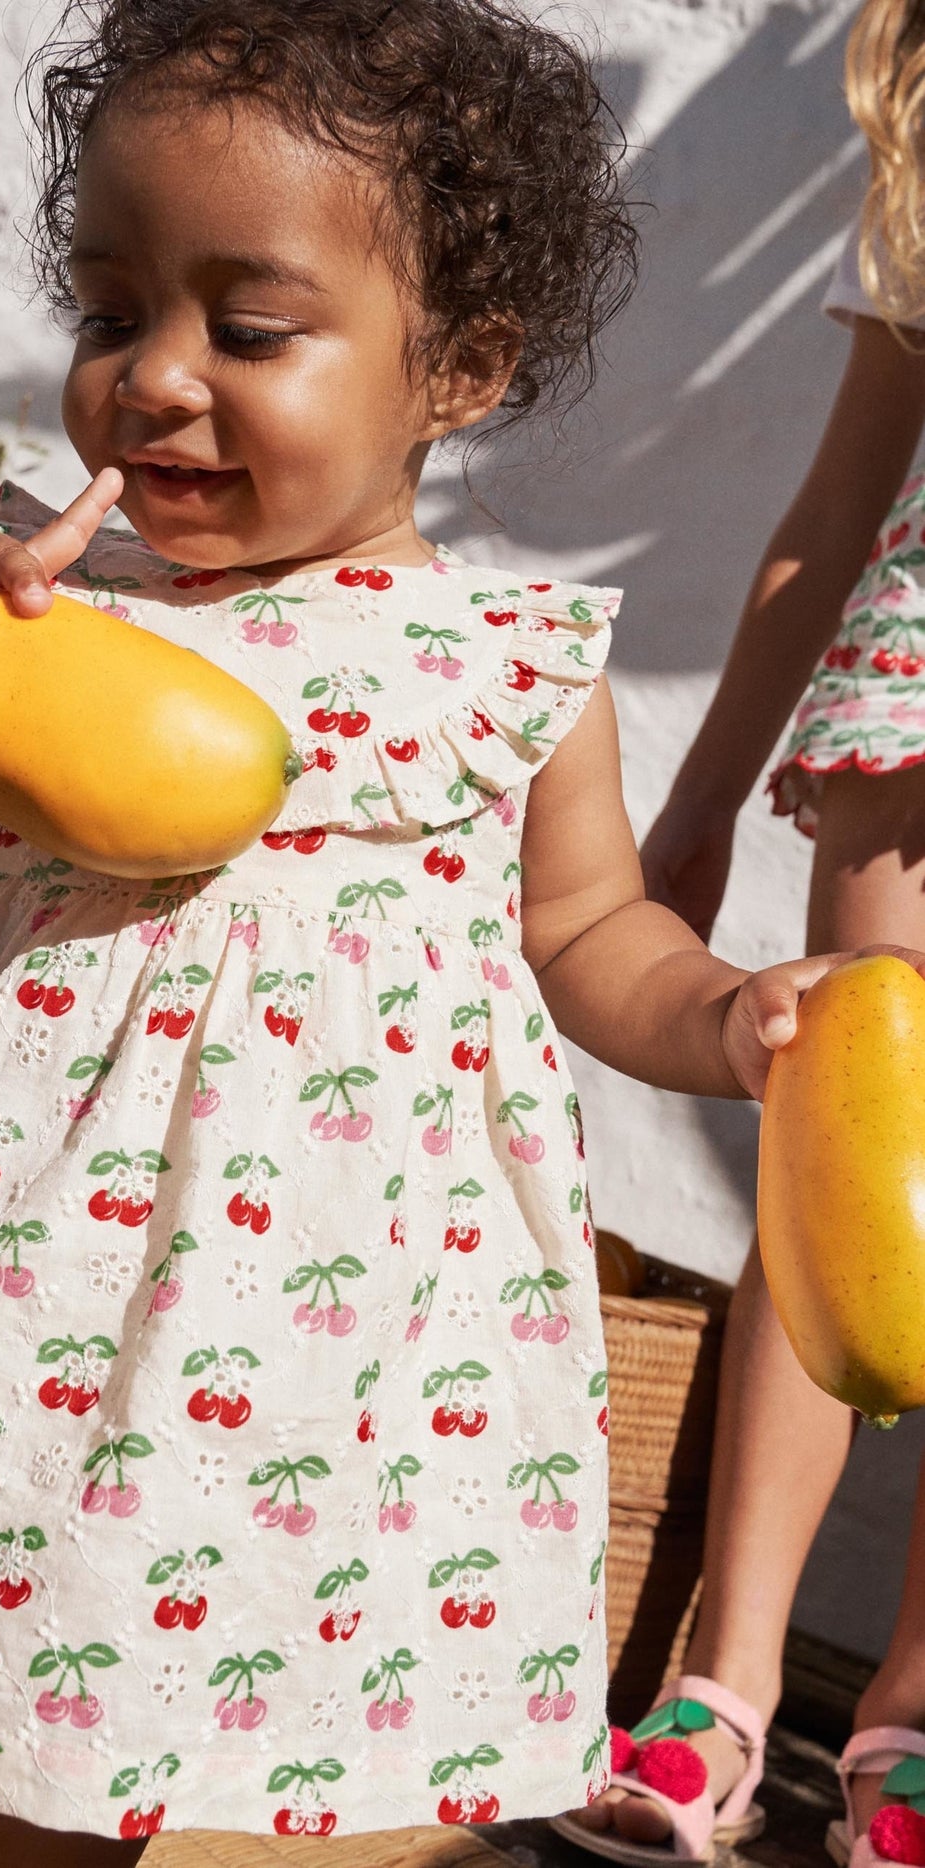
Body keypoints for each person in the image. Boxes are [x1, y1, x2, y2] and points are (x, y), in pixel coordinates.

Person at [0, 0, 921, 1861]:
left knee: (83, 1727)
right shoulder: (41, 595)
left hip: (272, 1313)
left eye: (249, 327)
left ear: (454, 367)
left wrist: (724, 1022)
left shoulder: (508, 665)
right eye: (106, 308)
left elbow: (590, 936)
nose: (150, 375)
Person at [555, 2, 925, 1865]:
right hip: (919, 730)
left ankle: (908, 1728)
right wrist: (694, 806)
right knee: (833, 1152)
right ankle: (722, 1685)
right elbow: (829, 518)